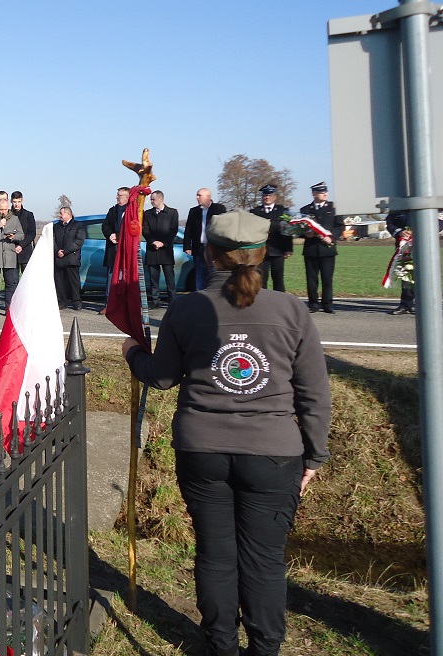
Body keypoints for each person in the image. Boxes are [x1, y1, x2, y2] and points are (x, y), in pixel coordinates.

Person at [121, 211, 331, 656]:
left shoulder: (186, 307)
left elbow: (160, 378)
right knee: (264, 560)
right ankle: (265, 647)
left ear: (209, 253)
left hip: (202, 448)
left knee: (215, 553)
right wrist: (315, 457)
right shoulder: (292, 310)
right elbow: (314, 394)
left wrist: (133, 353)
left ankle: (220, 644)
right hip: (274, 454)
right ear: (262, 254)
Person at [299, 181, 337, 314]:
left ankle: (327, 304)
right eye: (321, 192)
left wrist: (331, 237)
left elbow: (339, 225)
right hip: (311, 249)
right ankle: (313, 303)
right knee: (311, 278)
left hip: (328, 249)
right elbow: (299, 228)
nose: (325, 194)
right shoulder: (305, 210)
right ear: (314, 194)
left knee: (327, 278)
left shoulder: (334, 208)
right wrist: (305, 233)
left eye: (326, 191)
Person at [249, 184, 293, 292]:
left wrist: (288, 248)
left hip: (278, 250)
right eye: (265, 195)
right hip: (261, 250)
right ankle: (262, 302)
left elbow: (288, 231)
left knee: (278, 279)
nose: (267, 197)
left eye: (270, 195)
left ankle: (280, 303)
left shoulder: (283, 211)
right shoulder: (255, 212)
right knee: (261, 278)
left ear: (275, 196)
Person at [184, 187, 227, 291]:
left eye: (199, 195)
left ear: (208, 197)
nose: (197, 197)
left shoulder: (219, 209)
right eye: (197, 195)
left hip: (214, 249)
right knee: (199, 275)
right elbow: (188, 229)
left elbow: (225, 228)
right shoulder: (193, 211)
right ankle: (200, 297)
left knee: (213, 273)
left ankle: (214, 295)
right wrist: (187, 246)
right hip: (199, 248)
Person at [142, 190, 179, 307]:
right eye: (151, 199)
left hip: (166, 250)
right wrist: (153, 241)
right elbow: (145, 230)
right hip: (152, 249)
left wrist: (163, 243)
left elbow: (173, 230)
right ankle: (155, 301)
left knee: (169, 277)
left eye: (153, 199)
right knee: (153, 277)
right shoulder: (147, 214)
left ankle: (172, 300)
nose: (151, 201)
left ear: (161, 199)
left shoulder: (172, 212)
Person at [53, 206, 85, 310]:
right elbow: (52, 240)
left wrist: (66, 251)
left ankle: (76, 301)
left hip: (72, 258)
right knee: (59, 281)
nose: (59, 215)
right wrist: (57, 250)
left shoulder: (78, 225)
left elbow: (79, 241)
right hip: (58, 258)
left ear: (68, 214)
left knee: (73, 281)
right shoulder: (56, 226)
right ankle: (61, 301)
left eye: (61, 213)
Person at [102, 188, 131, 299]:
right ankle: (109, 301)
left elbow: (133, 227)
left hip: (125, 247)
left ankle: (122, 302)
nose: (117, 197)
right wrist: (111, 235)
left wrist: (119, 236)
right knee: (111, 275)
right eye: (117, 195)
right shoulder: (112, 210)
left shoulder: (132, 210)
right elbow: (105, 225)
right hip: (112, 247)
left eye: (119, 195)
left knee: (124, 275)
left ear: (127, 197)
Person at [386, 209, 415, 315]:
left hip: (424, 246)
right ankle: (405, 305)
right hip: (404, 247)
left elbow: (439, 222)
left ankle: (424, 305)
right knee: (406, 276)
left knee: (425, 277)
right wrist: (400, 232)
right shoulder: (398, 208)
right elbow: (389, 223)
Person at [10, 191, 37, 275]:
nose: (16, 204)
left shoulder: (28, 215)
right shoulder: (7, 215)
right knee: (13, 281)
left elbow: (32, 233)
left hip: (26, 251)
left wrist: (21, 245)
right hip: (11, 251)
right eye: (14, 202)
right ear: (11, 201)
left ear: (22, 201)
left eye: (18, 202)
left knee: (27, 279)